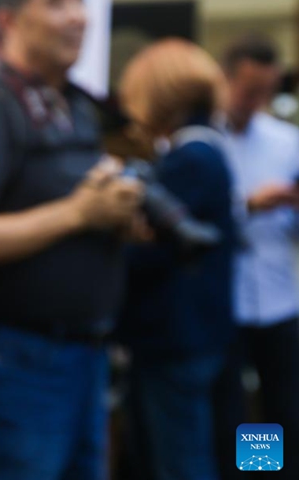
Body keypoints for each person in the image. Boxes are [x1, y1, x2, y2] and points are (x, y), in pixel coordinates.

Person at [0, 0, 143, 478]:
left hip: (87, 354)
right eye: (56, 4)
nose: (78, 17)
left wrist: (117, 217)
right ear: (8, 19)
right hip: (17, 360)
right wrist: (79, 213)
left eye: (80, 4)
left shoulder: (78, 106)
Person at [115, 39, 237, 480]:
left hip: (176, 338)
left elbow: (157, 252)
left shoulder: (190, 157)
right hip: (197, 333)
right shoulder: (208, 149)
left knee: (179, 461)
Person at [214, 34, 299, 478]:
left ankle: (273, 473)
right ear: (227, 80)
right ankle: (248, 472)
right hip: (227, 302)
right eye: (250, 91)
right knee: (236, 409)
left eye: (266, 92)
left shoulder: (287, 140)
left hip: (280, 299)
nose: (257, 102)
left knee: (284, 406)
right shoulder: (204, 138)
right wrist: (248, 205)